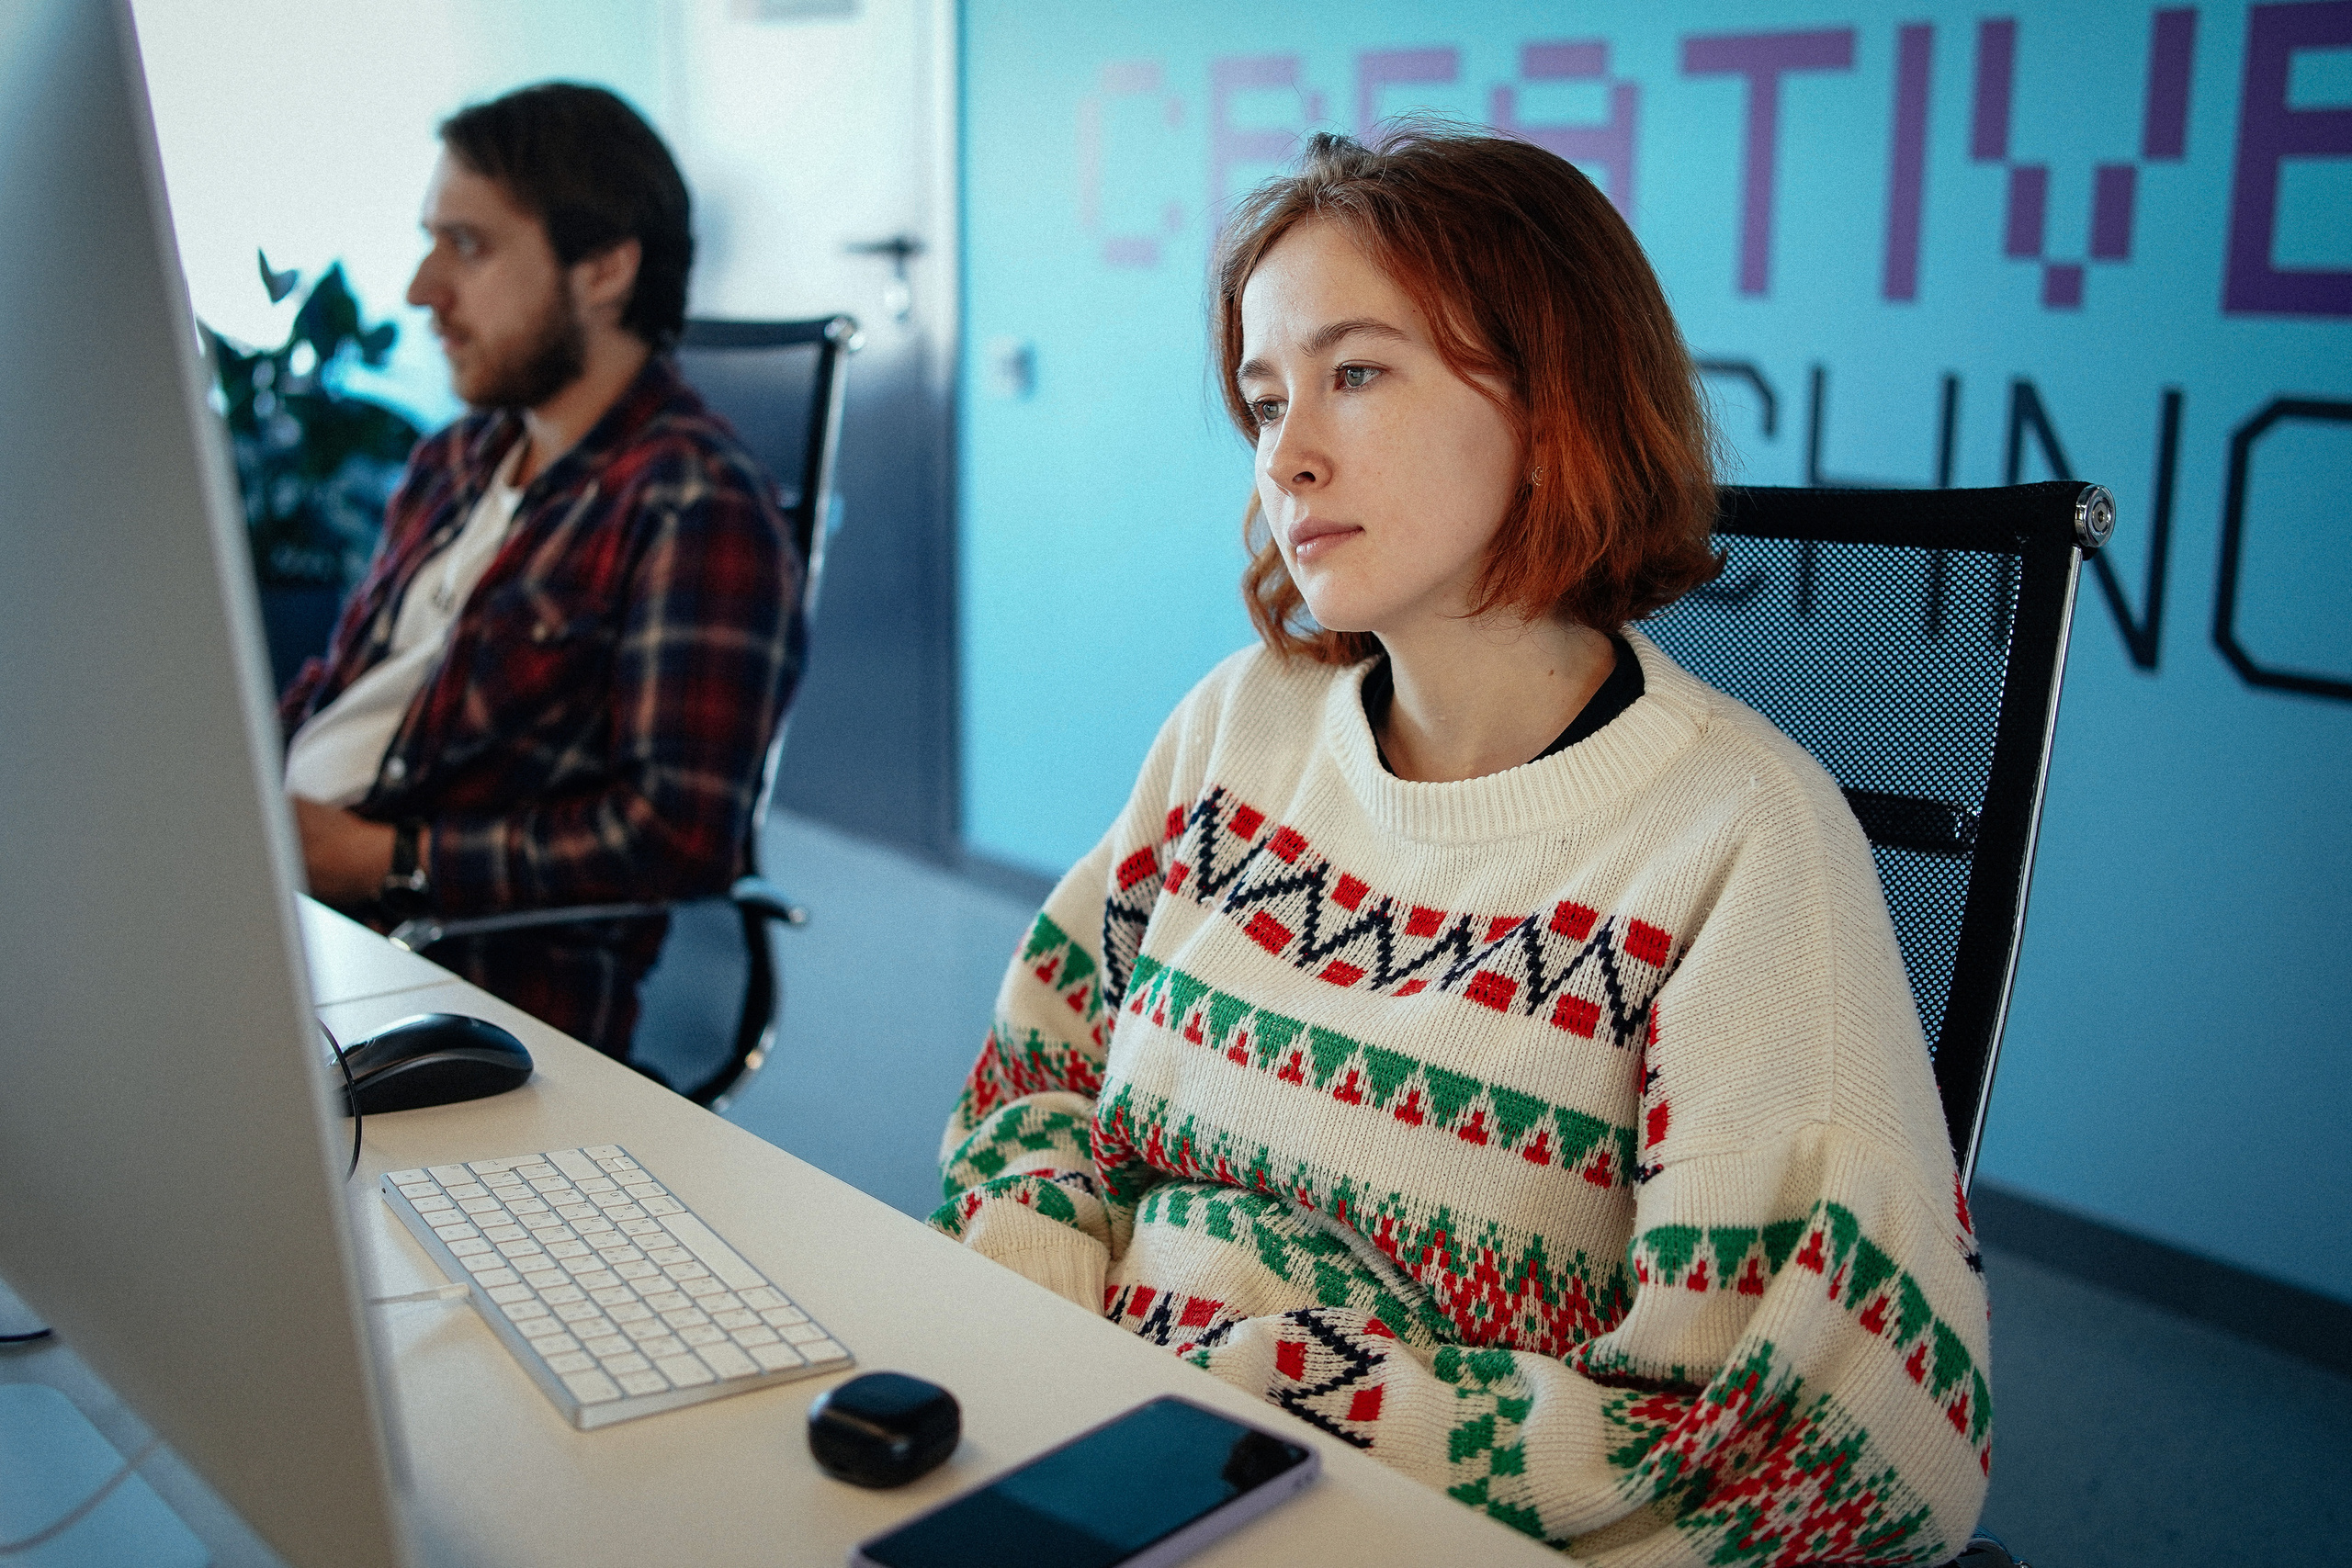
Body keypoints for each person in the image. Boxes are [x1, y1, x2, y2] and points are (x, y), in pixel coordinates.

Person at [934, 128, 1991, 1565]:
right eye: (1263, 397)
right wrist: (1039, 1289)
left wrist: (1272, 1395)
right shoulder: (1240, 724)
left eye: (1356, 372)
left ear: (1556, 403)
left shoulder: (1742, 841)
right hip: (1095, 1444)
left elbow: (1828, 1444)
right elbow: (1037, 1071)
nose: (1287, 452)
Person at [279, 84, 801, 1059]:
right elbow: (347, 692)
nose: (422, 288)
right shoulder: (456, 461)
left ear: (603, 269)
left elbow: (677, 835)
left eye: (466, 246)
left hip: (454, 987)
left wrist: (382, 860)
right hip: (299, 917)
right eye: (430, 239)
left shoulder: (694, 504)